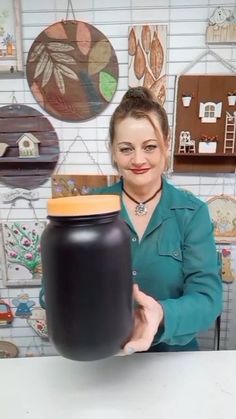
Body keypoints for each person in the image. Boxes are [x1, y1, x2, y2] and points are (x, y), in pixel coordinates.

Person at [94, 86, 223, 354]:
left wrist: (161, 314)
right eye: (126, 148)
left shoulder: (192, 213)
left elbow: (207, 298)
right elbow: (54, 291)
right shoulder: (90, 209)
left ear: (166, 144)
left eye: (150, 147)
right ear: (113, 151)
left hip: (174, 361)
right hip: (105, 358)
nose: (138, 159)